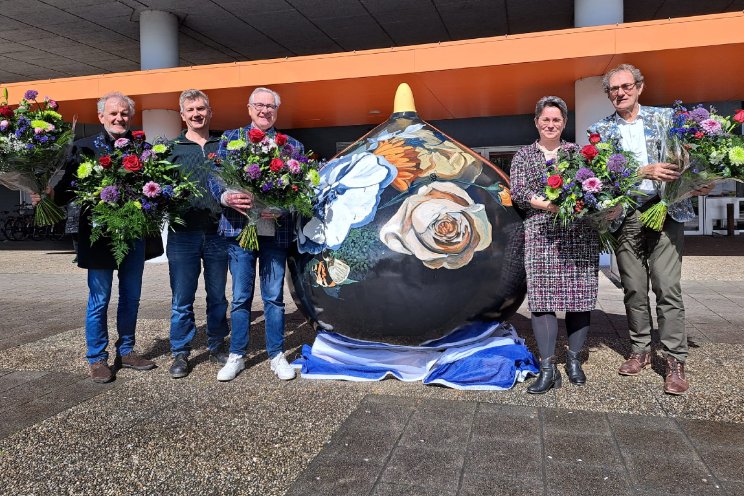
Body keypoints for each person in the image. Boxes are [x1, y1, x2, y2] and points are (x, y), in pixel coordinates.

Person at [589, 64, 711, 395]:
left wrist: (700, 182)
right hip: (626, 216)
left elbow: (691, 160)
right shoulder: (599, 131)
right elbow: (600, 181)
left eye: (626, 86)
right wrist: (641, 170)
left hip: (666, 212)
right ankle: (640, 350)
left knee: (668, 287)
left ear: (640, 87)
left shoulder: (667, 119)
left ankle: (674, 360)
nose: (620, 93)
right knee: (633, 288)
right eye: (613, 89)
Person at [50, 92, 160, 383]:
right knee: (99, 299)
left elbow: (156, 187)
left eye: (124, 113)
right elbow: (62, 192)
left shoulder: (143, 149)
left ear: (130, 117)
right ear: (101, 117)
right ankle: (97, 358)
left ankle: (127, 350)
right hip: (97, 235)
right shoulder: (82, 149)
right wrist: (44, 193)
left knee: (131, 297)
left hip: (133, 235)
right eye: (113, 113)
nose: (118, 118)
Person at [209, 87, 302, 382]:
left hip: (274, 232)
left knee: (274, 297)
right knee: (240, 297)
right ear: (249, 108)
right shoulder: (230, 139)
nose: (265, 111)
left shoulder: (291, 146)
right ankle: (237, 354)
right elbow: (215, 179)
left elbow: (300, 191)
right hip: (240, 231)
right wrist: (226, 197)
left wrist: (283, 208)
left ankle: (276, 355)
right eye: (259, 105)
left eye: (270, 106)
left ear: (277, 110)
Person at [510, 96, 602, 394]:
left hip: (578, 233)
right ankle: (548, 368)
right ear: (536, 121)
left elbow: (594, 185)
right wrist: (553, 205)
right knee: (542, 300)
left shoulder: (577, 152)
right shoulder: (523, 155)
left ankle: (574, 361)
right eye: (546, 119)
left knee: (580, 296)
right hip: (540, 233)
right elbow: (519, 192)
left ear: (564, 123)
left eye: (557, 120)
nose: (551, 124)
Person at [166, 89, 230, 379]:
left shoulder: (224, 146)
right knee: (182, 297)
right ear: (182, 115)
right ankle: (180, 352)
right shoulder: (171, 149)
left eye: (201, 108)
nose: (196, 114)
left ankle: (217, 344)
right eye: (190, 110)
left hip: (218, 233)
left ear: (210, 111)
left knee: (217, 296)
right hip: (183, 235)